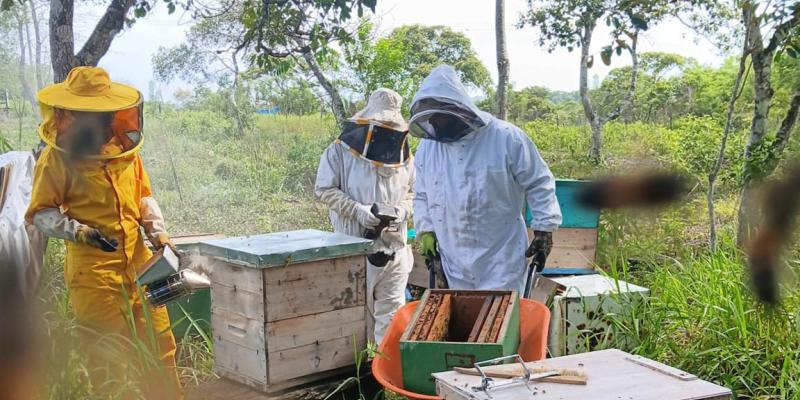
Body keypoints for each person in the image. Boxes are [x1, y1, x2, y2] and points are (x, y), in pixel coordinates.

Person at [25, 67, 181, 399]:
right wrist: (78, 230)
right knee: (107, 357)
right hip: (93, 272)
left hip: (141, 265)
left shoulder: (123, 151)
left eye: (106, 115)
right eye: (94, 116)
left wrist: (160, 235)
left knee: (162, 345)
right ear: (73, 116)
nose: (103, 123)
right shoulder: (57, 159)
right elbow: (41, 213)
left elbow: (143, 197)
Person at [410, 65, 562, 293]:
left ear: (460, 110)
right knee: (464, 321)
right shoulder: (428, 148)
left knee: (503, 324)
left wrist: (544, 230)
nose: (438, 125)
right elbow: (421, 193)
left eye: (442, 118)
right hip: (453, 259)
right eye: (434, 119)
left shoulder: (506, 138)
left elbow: (539, 182)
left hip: (501, 259)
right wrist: (426, 230)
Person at [315, 88, 415, 344]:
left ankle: (386, 374)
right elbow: (324, 189)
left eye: (392, 125)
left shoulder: (405, 156)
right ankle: (359, 376)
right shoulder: (339, 151)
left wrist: (402, 210)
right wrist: (357, 211)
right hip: (353, 247)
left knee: (392, 315)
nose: (387, 130)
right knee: (354, 318)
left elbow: (415, 193)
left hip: (395, 246)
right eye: (383, 124)